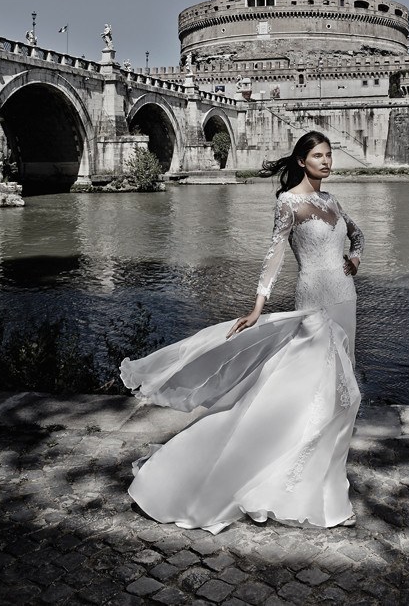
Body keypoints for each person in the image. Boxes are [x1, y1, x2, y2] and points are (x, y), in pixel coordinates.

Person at [120, 131, 364, 532]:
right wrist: (257, 306)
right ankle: (310, 490)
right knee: (322, 393)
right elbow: (274, 254)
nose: (326, 162)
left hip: (345, 299)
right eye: (318, 156)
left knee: (342, 394)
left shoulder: (333, 202)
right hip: (314, 302)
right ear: (301, 161)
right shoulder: (288, 203)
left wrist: (354, 258)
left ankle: (325, 482)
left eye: (329, 155)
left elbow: (358, 235)